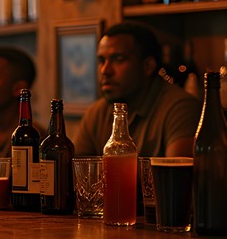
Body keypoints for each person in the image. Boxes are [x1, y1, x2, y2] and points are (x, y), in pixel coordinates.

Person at [73, 22, 200, 157]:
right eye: (101, 61)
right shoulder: (96, 113)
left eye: (118, 59)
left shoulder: (181, 108)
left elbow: (176, 175)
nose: (105, 70)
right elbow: (75, 172)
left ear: (147, 66)